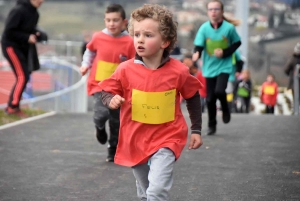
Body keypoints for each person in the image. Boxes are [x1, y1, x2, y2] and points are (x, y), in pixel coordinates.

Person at [98, 4, 203, 200]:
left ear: (165, 41)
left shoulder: (178, 71)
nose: (140, 40)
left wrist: (196, 129)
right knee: (146, 192)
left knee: (156, 191)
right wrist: (111, 99)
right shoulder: (125, 69)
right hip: (135, 139)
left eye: (148, 35)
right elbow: (106, 89)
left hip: (167, 138)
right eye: (137, 34)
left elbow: (192, 96)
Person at [80, 4, 135, 162]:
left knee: (116, 120)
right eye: (108, 20)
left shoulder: (129, 42)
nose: (112, 24)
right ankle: (99, 127)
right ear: (104, 20)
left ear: (124, 22)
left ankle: (112, 149)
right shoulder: (98, 37)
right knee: (101, 114)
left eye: (115, 20)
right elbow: (90, 51)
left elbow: (133, 63)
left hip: (119, 88)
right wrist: (85, 64)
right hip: (99, 85)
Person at [192, 0, 241, 135]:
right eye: (210, 9)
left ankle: (225, 108)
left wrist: (224, 53)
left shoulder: (229, 28)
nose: (213, 12)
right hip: (209, 67)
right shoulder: (204, 28)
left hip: (224, 66)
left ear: (222, 11)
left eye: (216, 9)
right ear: (208, 12)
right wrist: (197, 53)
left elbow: (237, 43)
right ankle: (211, 125)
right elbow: (199, 46)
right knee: (209, 99)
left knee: (220, 91)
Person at [1, 0, 44, 117]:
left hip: (23, 47)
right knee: (22, 76)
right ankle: (12, 107)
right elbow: (9, 32)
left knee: (25, 75)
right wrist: (26, 37)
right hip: (11, 46)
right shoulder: (18, 11)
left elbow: (30, 29)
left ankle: (14, 105)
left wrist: (38, 34)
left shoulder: (35, 13)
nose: (41, 1)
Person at [284, 42, 300, 106]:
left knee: (296, 99)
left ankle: (296, 112)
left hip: (294, 83)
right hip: (294, 82)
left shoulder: (293, 59)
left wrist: (292, 75)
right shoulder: (293, 59)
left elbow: (286, 70)